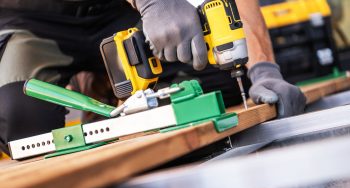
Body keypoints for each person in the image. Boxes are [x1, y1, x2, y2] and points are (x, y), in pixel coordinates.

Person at [0, 0, 306, 154]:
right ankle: (94, 82)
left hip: (118, 11)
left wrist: (262, 69)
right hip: (29, 19)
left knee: (217, 78)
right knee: (20, 123)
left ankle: (108, 85)